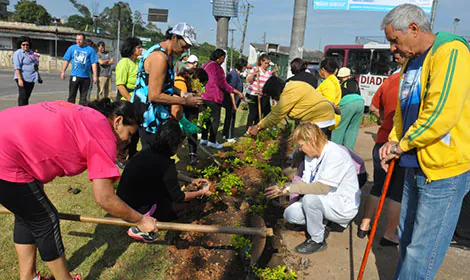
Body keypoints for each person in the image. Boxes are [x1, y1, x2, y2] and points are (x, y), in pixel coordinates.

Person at [0, 99, 158, 280]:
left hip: (9, 143)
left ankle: (28, 278)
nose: (127, 141)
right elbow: (104, 197)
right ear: (118, 121)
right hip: (6, 155)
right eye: (129, 135)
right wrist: (140, 220)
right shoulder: (104, 133)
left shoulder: (90, 115)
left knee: (28, 214)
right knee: (45, 219)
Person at [379, 4, 470, 279]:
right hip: (414, 163)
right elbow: (404, 110)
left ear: (415, 29)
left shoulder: (450, 51)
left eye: (395, 40)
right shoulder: (411, 62)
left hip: (443, 169)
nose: (393, 48)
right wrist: (392, 141)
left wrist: (400, 145)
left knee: (423, 249)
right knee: (405, 237)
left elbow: (440, 114)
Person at [264, 122, 360, 254]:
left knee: (309, 199)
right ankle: (323, 223)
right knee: (290, 214)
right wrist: (284, 188)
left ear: (312, 140)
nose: (300, 149)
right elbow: (304, 182)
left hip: (341, 204)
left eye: (301, 145)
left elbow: (322, 188)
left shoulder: (336, 155)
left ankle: (317, 240)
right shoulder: (311, 156)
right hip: (323, 201)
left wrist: (289, 190)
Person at [117, 119, 212, 242]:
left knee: (163, 191)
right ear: (174, 146)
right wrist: (202, 192)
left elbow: (168, 175)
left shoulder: (149, 151)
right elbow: (179, 196)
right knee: (184, 206)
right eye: (180, 145)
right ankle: (141, 228)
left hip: (121, 203)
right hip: (136, 208)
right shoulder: (166, 164)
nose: (181, 147)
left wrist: (191, 179)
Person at [358, 53, 406, 246]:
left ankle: (364, 225)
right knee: (397, 192)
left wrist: (384, 119)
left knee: (378, 186)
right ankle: (389, 233)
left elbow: (373, 107)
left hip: (382, 141)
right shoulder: (416, 81)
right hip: (403, 144)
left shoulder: (390, 80)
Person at [132, 23, 202, 150]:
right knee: (152, 155)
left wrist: (182, 93)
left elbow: (163, 82)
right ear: (174, 37)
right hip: (149, 114)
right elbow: (154, 95)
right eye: (184, 46)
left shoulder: (169, 55)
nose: (185, 50)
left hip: (158, 111)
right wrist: (185, 101)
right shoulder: (159, 57)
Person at [248, 75, 336, 137]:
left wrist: (258, 127)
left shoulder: (289, 93)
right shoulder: (293, 85)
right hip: (322, 113)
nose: (275, 99)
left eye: (273, 96)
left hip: (320, 117)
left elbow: (276, 115)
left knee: (312, 147)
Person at [200, 49, 245, 149]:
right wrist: (236, 91)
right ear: (219, 58)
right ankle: (212, 140)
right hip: (214, 97)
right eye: (223, 58)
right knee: (215, 120)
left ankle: (203, 138)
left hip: (204, 96)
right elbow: (223, 84)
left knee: (206, 118)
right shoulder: (217, 68)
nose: (223, 61)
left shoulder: (205, 65)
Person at [115, 37, 144, 164]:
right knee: (126, 130)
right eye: (138, 47)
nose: (141, 49)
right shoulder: (124, 63)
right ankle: (120, 156)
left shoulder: (138, 62)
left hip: (137, 99)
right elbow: (120, 85)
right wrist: (130, 98)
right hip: (126, 100)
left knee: (136, 130)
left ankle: (132, 154)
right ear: (131, 49)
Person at [174, 67, 209, 165]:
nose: (202, 88)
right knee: (180, 134)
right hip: (178, 114)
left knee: (191, 131)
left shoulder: (188, 83)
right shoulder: (181, 83)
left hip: (187, 113)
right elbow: (176, 106)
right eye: (202, 85)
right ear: (197, 81)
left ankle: (192, 154)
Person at [331, 67, 364, 150]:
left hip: (348, 103)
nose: (340, 79)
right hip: (360, 102)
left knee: (339, 128)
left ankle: (335, 150)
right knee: (352, 129)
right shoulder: (355, 82)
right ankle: (348, 152)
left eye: (341, 78)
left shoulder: (344, 84)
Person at [61, 33, 98, 105]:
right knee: (72, 96)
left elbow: (94, 63)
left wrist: (95, 76)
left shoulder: (90, 50)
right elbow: (66, 60)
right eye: (77, 39)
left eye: (80, 40)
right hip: (75, 75)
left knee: (83, 98)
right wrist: (63, 71)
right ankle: (71, 111)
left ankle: (81, 112)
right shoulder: (72, 48)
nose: (78, 41)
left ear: (84, 40)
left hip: (86, 77)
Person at [245, 54, 274, 131]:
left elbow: (269, 86)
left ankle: (256, 129)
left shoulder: (268, 73)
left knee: (259, 113)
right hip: (253, 94)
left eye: (268, 63)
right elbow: (248, 80)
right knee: (253, 113)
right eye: (266, 63)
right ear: (261, 62)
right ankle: (248, 129)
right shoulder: (256, 69)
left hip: (263, 95)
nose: (267, 65)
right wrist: (254, 73)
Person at [222, 58, 248, 143]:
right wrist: (234, 104)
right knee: (231, 118)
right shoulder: (233, 75)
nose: (245, 68)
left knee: (229, 117)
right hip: (231, 100)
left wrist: (244, 99)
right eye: (244, 66)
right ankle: (229, 136)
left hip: (236, 100)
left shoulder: (237, 74)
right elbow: (231, 91)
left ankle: (225, 134)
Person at [317, 57, 341, 138]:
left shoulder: (328, 83)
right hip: (327, 120)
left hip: (323, 121)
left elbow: (328, 103)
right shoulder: (333, 81)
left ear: (323, 69)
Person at [13, 36, 41, 106]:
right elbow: (17, 67)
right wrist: (20, 79)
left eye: (27, 45)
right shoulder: (18, 53)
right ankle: (20, 112)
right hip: (22, 78)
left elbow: (35, 66)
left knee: (27, 97)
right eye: (23, 45)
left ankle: (25, 111)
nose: (26, 46)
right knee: (23, 96)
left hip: (31, 78)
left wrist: (39, 76)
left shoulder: (31, 52)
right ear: (20, 45)